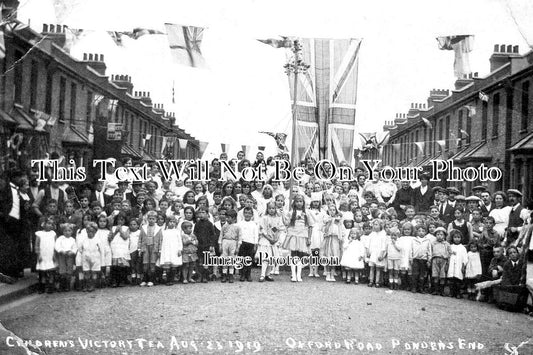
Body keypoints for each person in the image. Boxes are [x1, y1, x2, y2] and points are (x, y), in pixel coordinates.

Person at [282, 194, 312, 282]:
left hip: (302, 235)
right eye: (297, 201)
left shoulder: (307, 213)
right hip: (293, 235)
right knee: (293, 254)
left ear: (303, 203)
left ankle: (299, 274)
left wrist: (309, 238)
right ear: (294, 203)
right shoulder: (291, 213)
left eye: (301, 201)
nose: (299, 203)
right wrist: (283, 215)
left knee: (300, 255)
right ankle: (293, 274)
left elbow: (310, 226)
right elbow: (286, 223)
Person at [257, 202, 282, 282]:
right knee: (265, 258)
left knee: (272, 258)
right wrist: (269, 239)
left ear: (275, 209)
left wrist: (276, 238)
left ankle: (268, 274)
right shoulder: (264, 218)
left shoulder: (278, 218)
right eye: (270, 208)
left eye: (273, 208)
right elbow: (262, 230)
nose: (271, 210)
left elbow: (280, 229)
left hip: (274, 241)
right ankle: (262, 274)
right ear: (267, 209)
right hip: (266, 240)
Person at [138, 211, 162, 287]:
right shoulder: (143, 228)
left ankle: (152, 280)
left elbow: (160, 240)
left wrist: (160, 250)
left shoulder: (158, 229)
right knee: (145, 263)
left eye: (153, 219)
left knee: (152, 263)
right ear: (147, 219)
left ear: (156, 219)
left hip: (154, 247)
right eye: (150, 218)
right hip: (145, 247)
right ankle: (145, 279)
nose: (151, 220)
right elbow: (140, 239)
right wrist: (139, 248)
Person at [194, 207, 217, 283]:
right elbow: (195, 234)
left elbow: (213, 235)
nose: (201, 214)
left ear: (207, 214)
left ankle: (205, 277)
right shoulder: (197, 224)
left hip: (207, 245)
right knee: (199, 261)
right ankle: (199, 276)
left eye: (203, 213)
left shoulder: (210, 224)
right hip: (199, 245)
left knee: (206, 262)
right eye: (200, 213)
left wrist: (211, 245)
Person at [321, 204, 343, 282]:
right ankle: (327, 273)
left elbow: (340, 229)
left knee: (334, 256)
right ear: (328, 211)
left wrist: (340, 238)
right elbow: (324, 229)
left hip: (335, 239)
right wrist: (329, 222)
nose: (332, 211)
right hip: (328, 239)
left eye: (334, 210)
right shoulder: (327, 219)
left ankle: (332, 274)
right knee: (328, 255)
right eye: (330, 210)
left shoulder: (338, 220)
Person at [35, 216, 57, 293]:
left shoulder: (53, 234)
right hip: (43, 255)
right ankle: (42, 287)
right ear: (43, 224)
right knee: (43, 272)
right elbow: (37, 245)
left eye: (51, 224)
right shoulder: (39, 234)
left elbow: (55, 244)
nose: (50, 225)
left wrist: (55, 254)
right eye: (48, 223)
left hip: (50, 255)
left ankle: (51, 287)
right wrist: (38, 254)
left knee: (51, 271)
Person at [218, 209, 241, 283]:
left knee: (231, 259)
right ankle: (224, 274)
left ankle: (231, 274)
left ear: (234, 218)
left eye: (229, 217)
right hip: (225, 242)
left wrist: (238, 247)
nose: (227, 219)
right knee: (225, 259)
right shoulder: (224, 226)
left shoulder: (237, 227)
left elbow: (239, 237)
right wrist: (220, 245)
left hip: (233, 242)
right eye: (226, 217)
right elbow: (221, 236)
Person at [158, 215, 182, 285]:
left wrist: (180, 249)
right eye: (170, 222)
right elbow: (161, 241)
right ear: (167, 222)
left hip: (174, 250)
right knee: (167, 265)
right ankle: (167, 279)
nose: (172, 223)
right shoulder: (163, 231)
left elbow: (179, 241)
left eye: (173, 222)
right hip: (166, 250)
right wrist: (160, 250)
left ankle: (172, 279)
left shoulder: (177, 231)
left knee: (173, 265)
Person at [238, 207, 259, 282]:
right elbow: (239, 234)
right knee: (243, 259)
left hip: (251, 243)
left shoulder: (254, 224)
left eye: (249, 213)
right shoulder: (240, 223)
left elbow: (256, 235)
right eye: (246, 213)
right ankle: (243, 274)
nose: (247, 215)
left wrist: (255, 244)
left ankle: (248, 274)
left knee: (249, 259)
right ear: (243, 214)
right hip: (242, 243)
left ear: (252, 215)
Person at [54, 223, 77, 292]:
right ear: (63, 232)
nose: (67, 232)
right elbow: (57, 246)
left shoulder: (72, 239)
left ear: (72, 232)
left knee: (69, 269)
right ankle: (62, 285)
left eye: (69, 231)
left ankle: (67, 285)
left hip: (69, 255)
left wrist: (72, 252)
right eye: (65, 231)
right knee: (62, 269)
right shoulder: (60, 238)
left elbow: (75, 247)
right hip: (62, 255)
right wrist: (61, 250)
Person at [410, 222, 432, 293]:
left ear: (425, 232)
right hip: (416, 259)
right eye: (419, 231)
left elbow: (429, 251)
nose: (421, 233)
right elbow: (411, 250)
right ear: (416, 232)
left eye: (423, 231)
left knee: (422, 275)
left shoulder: (427, 240)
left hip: (424, 260)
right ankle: (414, 287)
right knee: (415, 274)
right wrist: (411, 258)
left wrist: (429, 260)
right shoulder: (414, 240)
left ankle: (421, 288)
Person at [79, 222, 101, 292]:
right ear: (86, 231)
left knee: (94, 272)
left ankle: (92, 285)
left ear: (95, 232)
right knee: (86, 272)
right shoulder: (84, 240)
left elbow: (101, 249)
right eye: (88, 231)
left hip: (95, 257)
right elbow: (80, 249)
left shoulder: (97, 240)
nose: (90, 233)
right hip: (86, 257)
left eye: (92, 231)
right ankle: (86, 285)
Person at [110, 213, 130, 287]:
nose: (120, 221)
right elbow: (110, 237)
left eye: (122, 220)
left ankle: (121, 280)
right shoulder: (113, 228)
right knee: (115, 266)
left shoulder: (126, 228)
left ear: (124, 221)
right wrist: (115, 231)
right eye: (118, 220)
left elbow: (125, 237)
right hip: (115, 247)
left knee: (122, 265)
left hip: (122, 248)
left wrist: (120, 230)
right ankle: (114, 281)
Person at [366, 219, 387, 288]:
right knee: (372, 267)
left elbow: (384, 245)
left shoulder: (383, 234)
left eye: (376, 224)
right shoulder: (372, 234)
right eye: (374, 224)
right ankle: (371, 281)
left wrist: (381, 254)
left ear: (381, 225)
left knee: (378, 268)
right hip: (373, 253)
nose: (375, 226)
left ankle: (377, 282)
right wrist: (368, 251)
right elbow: (368, 243)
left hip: (379, 253)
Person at [447, 230, 468, 299]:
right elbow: (448, 255)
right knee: (451, 280)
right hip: (451, 265)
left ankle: (458, 293)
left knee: (458, 280)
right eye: (455, 237)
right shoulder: (450, 246)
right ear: (452, 238)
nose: (457, 239)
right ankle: (451, 292)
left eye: (458, 237)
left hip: (459, 265)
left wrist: (463, 265)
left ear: (461, 238)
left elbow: (465, 258)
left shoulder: (463, 248)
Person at [431, 227, 451, 296]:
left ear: (444, 236)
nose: (439, 236)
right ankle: (436, 290)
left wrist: (447, 257)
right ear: (435, 235)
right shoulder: (433, 243)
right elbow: (430, 251)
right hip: (435, 260)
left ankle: (441, 291)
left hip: (443, 260)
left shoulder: (446, 244)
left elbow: (450, 252)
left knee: (442, 275)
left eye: (441, 234)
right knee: (435, 275)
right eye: (438, 234)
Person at [95, 215, 112, 287]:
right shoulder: (96, 231)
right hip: (99, 249)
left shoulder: (108, 231)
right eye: (100, 221)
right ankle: (100, 280)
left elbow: (110, 241)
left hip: (107, 249)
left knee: (107, 265)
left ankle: (106, 279)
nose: (102, 223)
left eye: (104, 221)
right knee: (100, 265)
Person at [127, 218, 142, 285]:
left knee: (138, 264)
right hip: (131, 251)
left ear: (138, 225)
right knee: (132, 264)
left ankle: (138, 277)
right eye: (131, 225)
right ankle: (133, 277)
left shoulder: (140, 232)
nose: (132, 226)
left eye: (134, 224)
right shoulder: (128, 233)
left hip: (138, 250)